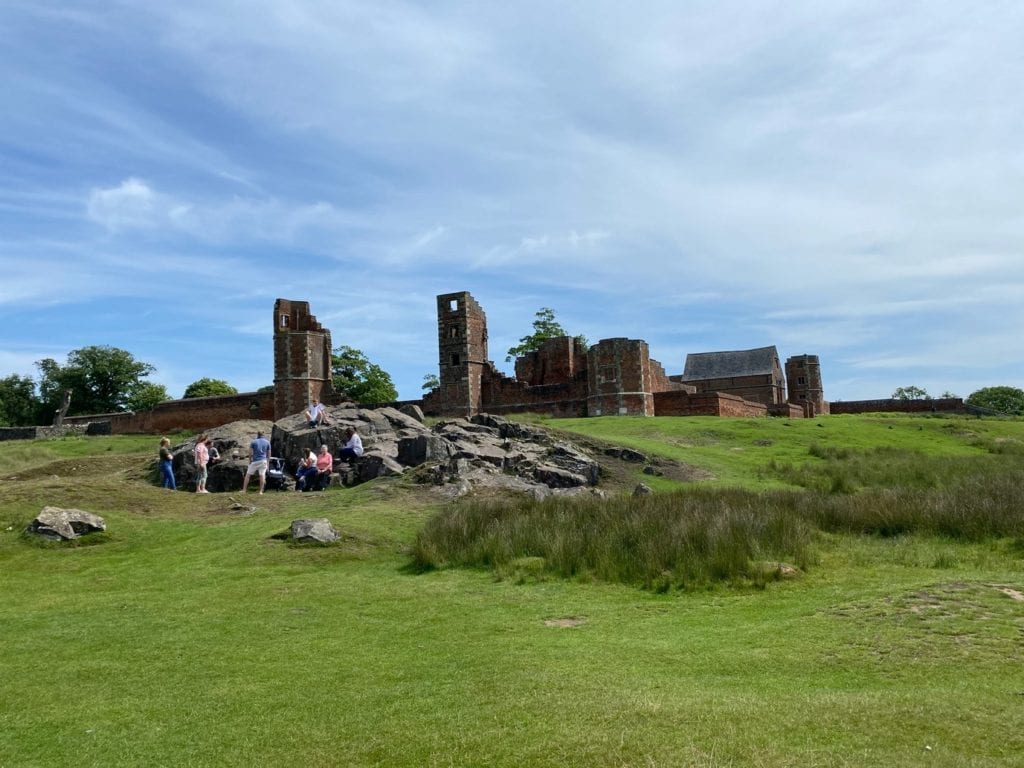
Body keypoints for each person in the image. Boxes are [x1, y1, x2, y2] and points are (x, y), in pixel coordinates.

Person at [241, 430, 272, 495]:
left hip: (255, 461)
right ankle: (260, 491)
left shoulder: (253, 442)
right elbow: (269, 453)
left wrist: (249, 460)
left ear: (257, 435)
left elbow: (250, 452)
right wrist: (268, 462)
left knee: (248, 475)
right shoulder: (267, 442)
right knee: (262, 475)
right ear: (263, 435)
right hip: (263, 461)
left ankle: (244, 490)